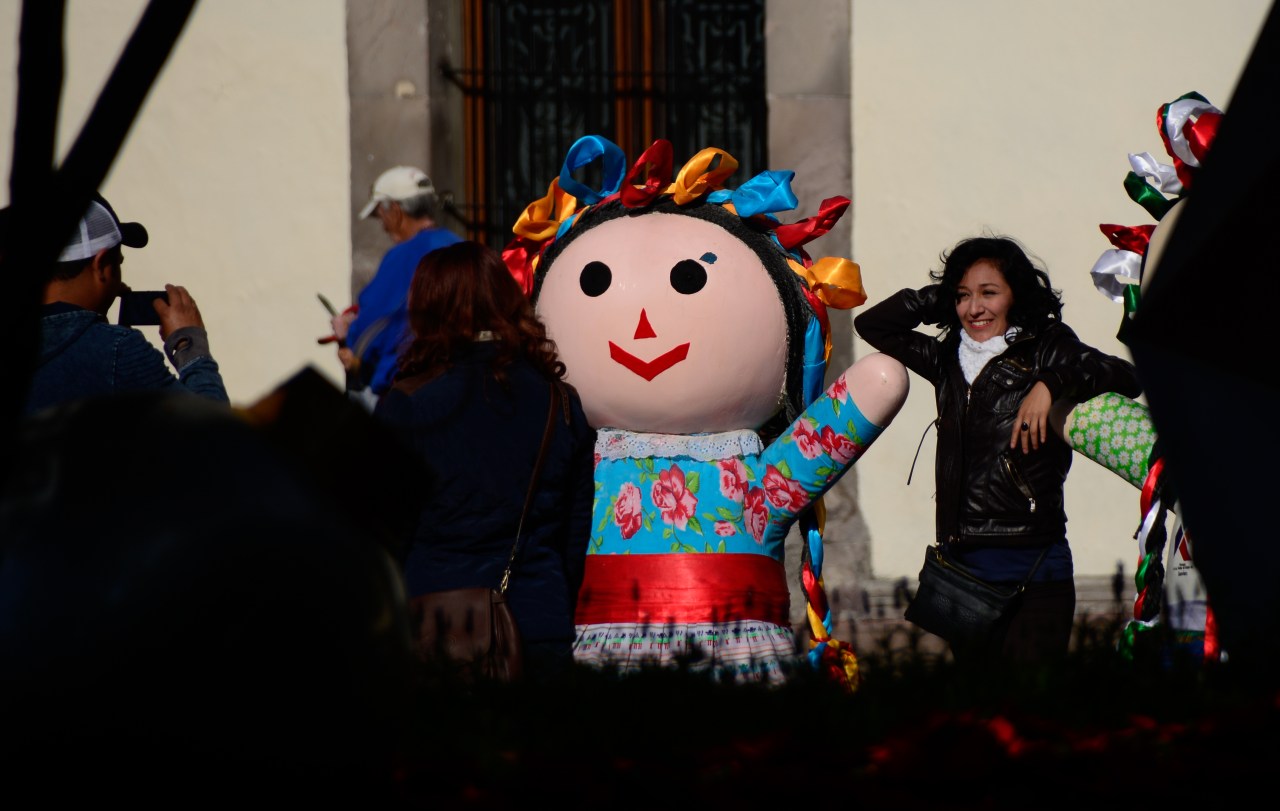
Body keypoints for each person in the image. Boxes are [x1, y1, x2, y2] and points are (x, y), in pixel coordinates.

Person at [855, 236, 1141, 663]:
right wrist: (941, 296)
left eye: (989, 293)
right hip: (964, 571)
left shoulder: (1047, 345)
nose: (975, 308)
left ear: (1015, 295)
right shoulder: (947, 358)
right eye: (963, 296)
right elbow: (873, 325)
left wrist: (1052, 383)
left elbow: (1126, 376)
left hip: (1035, 567)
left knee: (1032, 698)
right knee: (979, 701)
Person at [374, 241, 595, 683]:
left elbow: (382, 534)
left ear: (427, 307)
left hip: (436, 621)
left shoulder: (407, 403)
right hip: (538, 620)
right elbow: (574, 534)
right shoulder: (560, 402)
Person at [24, 194, 227, 415]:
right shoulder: (118, 349)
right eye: (119, 263)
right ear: (101, 265)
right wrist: (189, 345)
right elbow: (214, 429)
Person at [331, 166, 462, 409]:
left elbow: (370, 326)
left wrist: (348, 335)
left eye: (381, 215)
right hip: (457, 380)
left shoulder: (403, 255)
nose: (383, 226)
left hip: (405, 387)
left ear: (396, 211)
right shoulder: (458, 245)